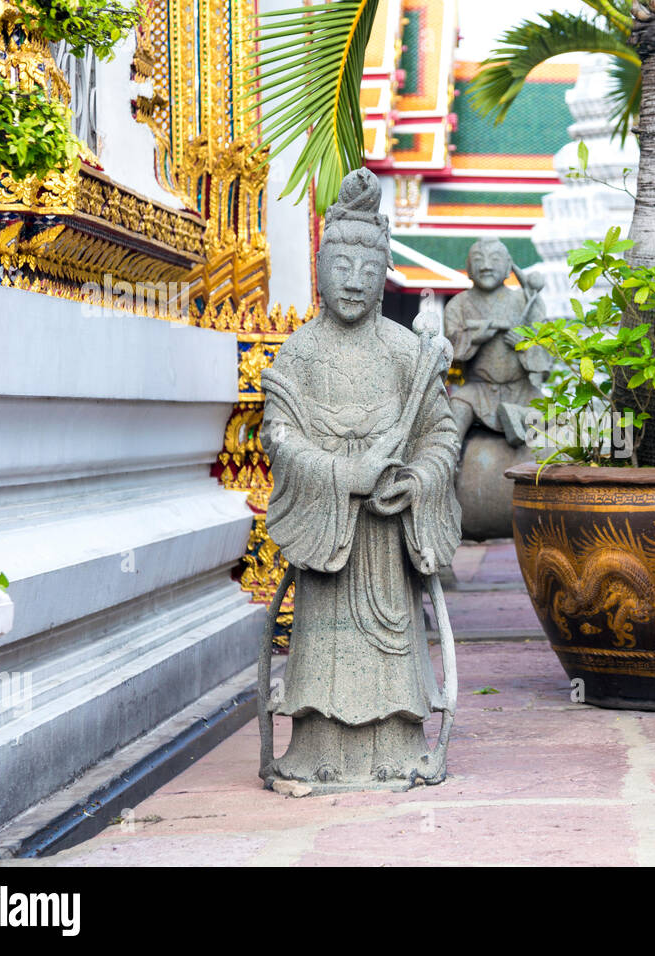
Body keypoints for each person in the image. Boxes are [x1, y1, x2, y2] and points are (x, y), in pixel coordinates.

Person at [259, 169, 461, 790]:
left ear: (383, 276)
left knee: (392, 644)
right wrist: (346, 474)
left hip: (385, 539)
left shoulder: (406, 352)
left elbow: (441, 435)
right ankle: (314, 748)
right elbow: (279, 437)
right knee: (322, 651)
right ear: (320, 269)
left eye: (367, 267)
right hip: (330, 535)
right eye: (340, 263)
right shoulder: (299, 352)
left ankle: (396, 748)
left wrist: (417, 482)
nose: (353, 278)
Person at [443, 238, 550, 448]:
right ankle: (446, 470)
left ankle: (520, 419)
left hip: (523, 390)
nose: (486, 266)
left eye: (494, 259)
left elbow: (546, 358)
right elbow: (450, 352)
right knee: (452, 423)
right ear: (469, 268)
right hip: (475, 391)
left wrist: (525, 345)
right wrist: (474, 337)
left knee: (556, 422)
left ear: (509, 266)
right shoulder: (458, 304)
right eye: (478, 260)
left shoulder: (526, 302)